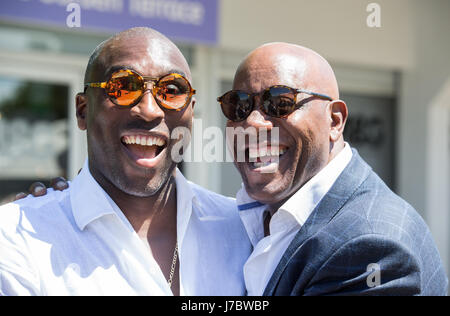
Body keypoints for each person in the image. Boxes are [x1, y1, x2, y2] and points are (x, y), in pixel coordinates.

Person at [0, 27, 252, 296]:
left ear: (191, 112)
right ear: (83, 111)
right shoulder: (17, 237)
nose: (150, 111)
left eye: (171, 90)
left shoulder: (242, 229)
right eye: (122, 87)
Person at [217, 42, 448, 295]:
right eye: (238, 104)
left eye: (280, 103)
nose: (251, 121)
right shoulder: (246, 220)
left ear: (335, 121)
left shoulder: (371, 245)